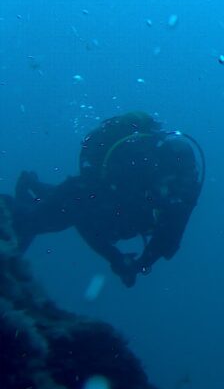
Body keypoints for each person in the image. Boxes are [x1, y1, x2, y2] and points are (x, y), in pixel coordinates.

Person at [2, 112, 204, 286]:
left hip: (103, 208)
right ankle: (22, 199)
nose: (174, 193)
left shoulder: (181, 195)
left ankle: (33, 187)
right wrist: (115, 257)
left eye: (182, 183)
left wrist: (137, 265)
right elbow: (84, 217)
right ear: (160, 171)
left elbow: (167, 241)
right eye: (171, 182)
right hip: (84, 197)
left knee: (58, 213)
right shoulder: (133, 176)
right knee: (31, 223)